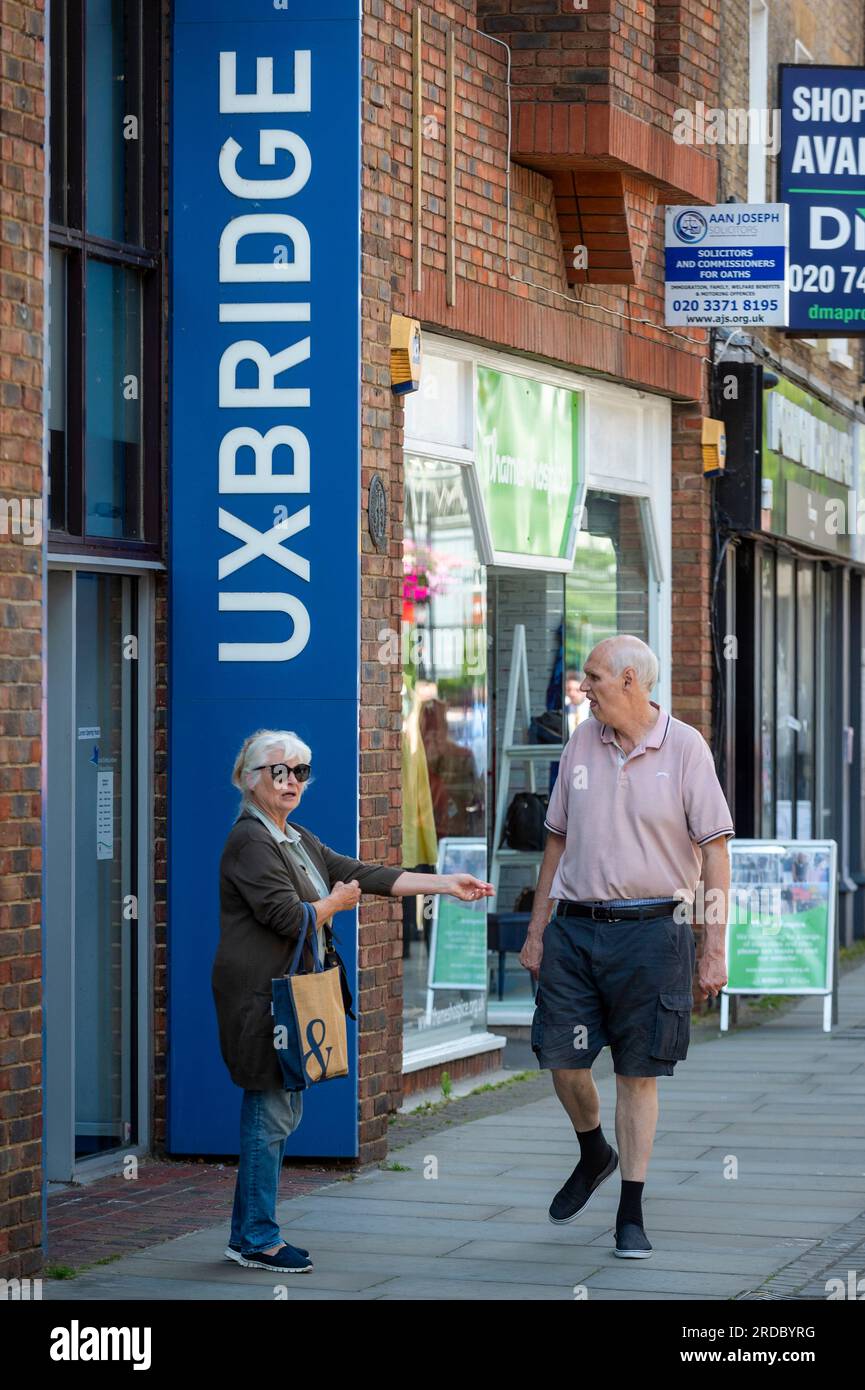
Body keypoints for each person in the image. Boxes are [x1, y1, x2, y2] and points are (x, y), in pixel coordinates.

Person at [213, 728, 494, 1274]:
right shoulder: (250, 840)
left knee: (280, 1111)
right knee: (269, 1113)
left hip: (286, 993)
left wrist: (444, 884)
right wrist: (334, 903)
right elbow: (288, 917)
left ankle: (249, 1233)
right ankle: (256, 1238)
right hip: (259, 998)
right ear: (251, 780)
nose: (293, 780)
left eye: (301, 771)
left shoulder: (291, 836)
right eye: (280, 771)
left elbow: (366, 875)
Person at [519, 636, 732, 1258]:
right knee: (561, 1057)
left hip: (653, 933)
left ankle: (631, 1212)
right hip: (576, 930)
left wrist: (713, 946)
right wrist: (537, 931)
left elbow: (716, 854)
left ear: (632, 680)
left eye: (593, 678)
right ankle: (594, 1152)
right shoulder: (581, 742)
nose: (583, 688)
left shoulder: (686, 748)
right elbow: (554, 844)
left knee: (638, 1074)